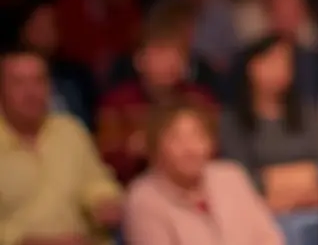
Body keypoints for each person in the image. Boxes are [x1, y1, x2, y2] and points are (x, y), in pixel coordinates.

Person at [0, 46, 123, 244]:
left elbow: (96, 182)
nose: (31, 92)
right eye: (18, 83)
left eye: (38, 81)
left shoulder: (69, 130)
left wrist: (105, 203)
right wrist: (27, 241)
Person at [124, 102, 284, 245]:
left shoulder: (231, 176)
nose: (190, 149)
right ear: (156, 147)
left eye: (198, 136)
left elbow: (269, 238)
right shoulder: (143, 200)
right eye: (176, 139)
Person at [218, 35, 318, 211]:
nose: (280, 69)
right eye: (272, 60)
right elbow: (239, 177)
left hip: (313, 204)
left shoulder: (307, 113)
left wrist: (275, 178)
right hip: (258, 208)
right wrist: (304, 175)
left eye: (286, 63)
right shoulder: (231, 120)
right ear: (252, 66)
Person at [96, 21, 217, 184]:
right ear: (139, 60)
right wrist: (131, 150)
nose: (171, 62)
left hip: (195, 185)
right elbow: (103, 162)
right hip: (134, 187)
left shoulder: (199, 100)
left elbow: (215, 151)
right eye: (161, 53)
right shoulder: (118, 103)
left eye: (178, 54)